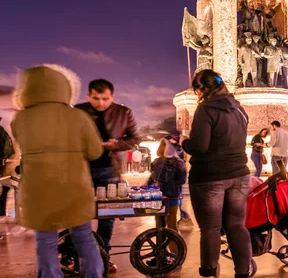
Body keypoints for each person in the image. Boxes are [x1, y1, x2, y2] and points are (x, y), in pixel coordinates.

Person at [11, 64, 105, 278]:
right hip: (74, 188)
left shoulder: (21, 119)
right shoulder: (78, 117)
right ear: (63, 88)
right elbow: (95, 151)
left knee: (45, 241)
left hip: (38, 190)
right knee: (83, 236)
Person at [181, 69, 252, 278]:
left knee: (211, 229)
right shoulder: (239, 109)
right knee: (237, 226)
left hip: (210, 177)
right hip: (239, 174)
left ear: (201, 89)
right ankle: (242, 273)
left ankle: (209, 273)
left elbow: (200, 147)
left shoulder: (206, 109)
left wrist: (184, 141)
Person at [75, 78, 141, 271]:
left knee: (108, 216)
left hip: (109, 169)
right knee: (80, 215)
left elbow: (135, 138)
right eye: (96, 98)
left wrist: (116, 145)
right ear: (89, 96)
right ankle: (81, 256)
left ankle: (104, 256)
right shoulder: (77, 112)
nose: (101, 103)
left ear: (112, 96)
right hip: (81, 169)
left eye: (105, 98)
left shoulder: (124, 112)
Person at [150, 138, 187, 254]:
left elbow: (181, 180)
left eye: (164, 144)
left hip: (169, 197)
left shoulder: (176, 162)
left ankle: (173, 252)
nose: (162, 147)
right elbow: (153, 178)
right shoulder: (157, 162)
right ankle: (162, 252)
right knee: (161, 226)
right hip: (162, 197)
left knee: (169, 225)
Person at [0, 117, 17, 221]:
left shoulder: (2, 130)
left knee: (6, 188)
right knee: (6, 188)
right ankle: (1, 213)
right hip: (6, 165)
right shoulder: (2, 130)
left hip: (6, 165)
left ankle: (2, 213)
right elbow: (9, 150)